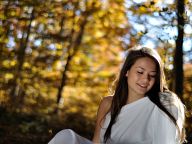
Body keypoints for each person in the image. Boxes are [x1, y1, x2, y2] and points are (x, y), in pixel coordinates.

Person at [48, 46, 186, 144]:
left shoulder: (164, 104)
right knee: (66, 137)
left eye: (152, 75)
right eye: (140, 72)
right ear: (127, 71)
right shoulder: (108, 103)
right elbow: (97, 142)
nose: (145, 79)